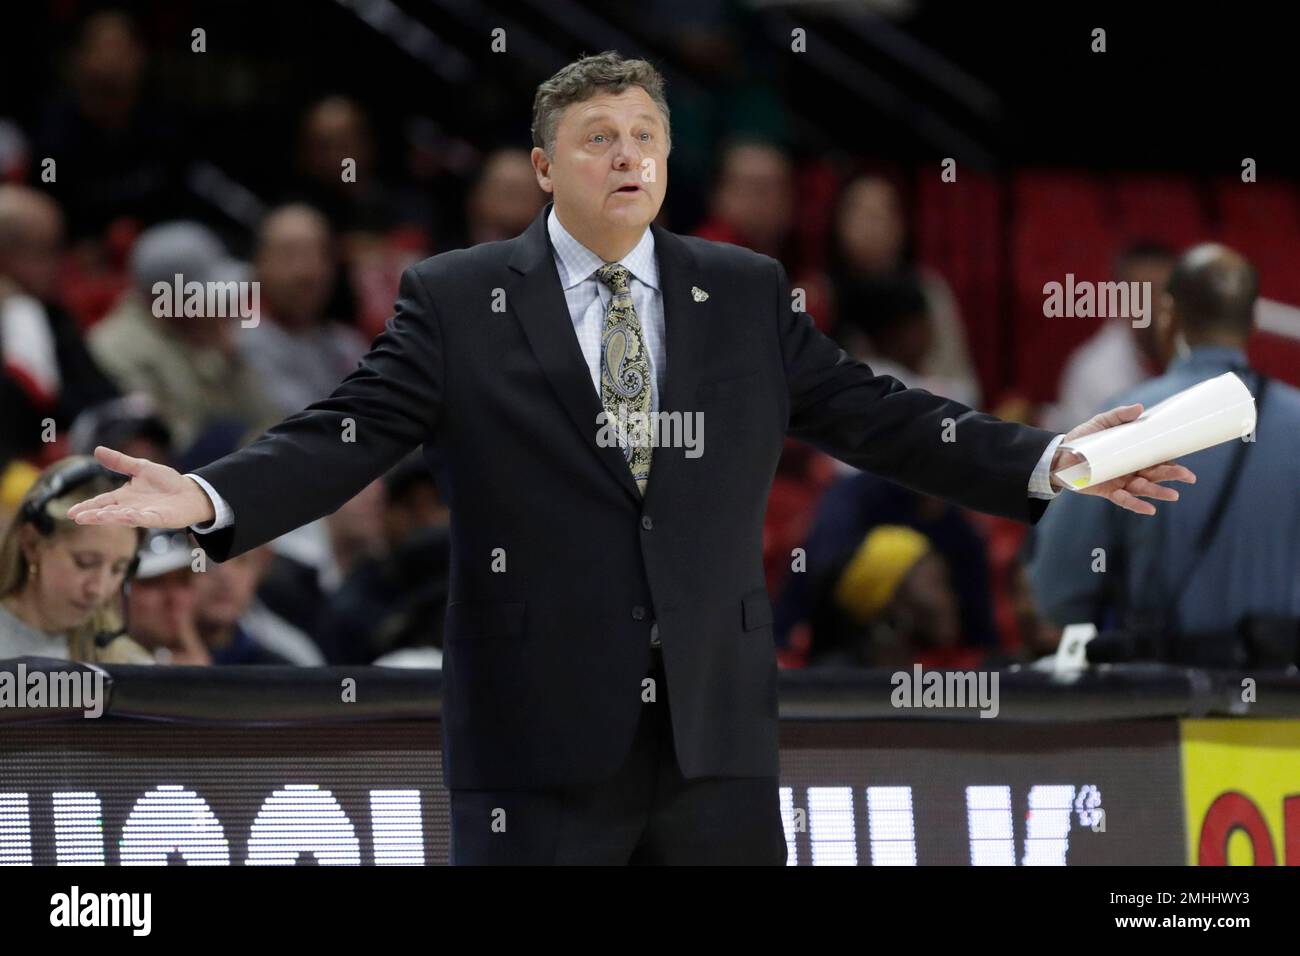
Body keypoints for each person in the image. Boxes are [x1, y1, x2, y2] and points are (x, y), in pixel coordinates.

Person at [69, 52, 1194, 865]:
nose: (627, 154)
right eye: (598, 136)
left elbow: (878, 414)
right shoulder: (459, 299)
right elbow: (348, 428)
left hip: (714, 732)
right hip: (537, 737)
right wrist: (211, 495)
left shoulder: (743, 291)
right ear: (543, 164)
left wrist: (1046, 459)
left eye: (646, 134)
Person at [1028, 243, 1300, 653]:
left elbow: (1058, 589)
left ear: (1169, 314)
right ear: (1252, 320)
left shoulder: (1126, 419)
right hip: (1284, 699)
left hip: (1164, 698)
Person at [0, 455, 151, 663]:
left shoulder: (130, 665)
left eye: (118, 569)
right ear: (32, 544)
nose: (98, 589)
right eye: (85, 563)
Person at [1041, 241, 1177, 434]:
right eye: (1142, 294)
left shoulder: (1195, 350)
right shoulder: (1093, 372)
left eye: (1163, 292)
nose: (1154, 305)